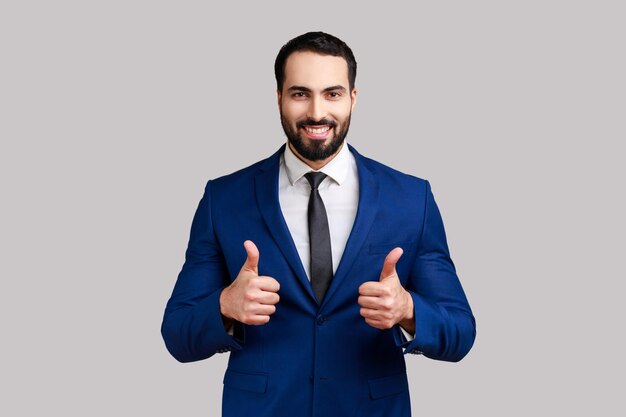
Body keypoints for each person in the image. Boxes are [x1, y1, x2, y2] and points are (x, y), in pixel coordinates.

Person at [161, 31, 476, 417]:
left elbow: (460, 333)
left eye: (332, 93)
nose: (316, 112)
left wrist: (408, 310)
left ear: (353, 99)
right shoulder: (223, 199)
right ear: (278, 97)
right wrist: (225, 305)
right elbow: (177, 334)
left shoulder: (412, 199)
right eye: (300, 94)